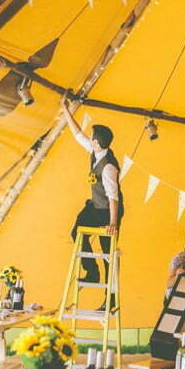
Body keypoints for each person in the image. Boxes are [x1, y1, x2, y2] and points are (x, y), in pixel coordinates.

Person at [61, 99, 124, 310]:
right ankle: (92, 271)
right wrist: (66, 110)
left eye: (92, 137)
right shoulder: (97, 152)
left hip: (108, 212)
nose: (90, 139)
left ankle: (110, 300)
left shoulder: (108, 167)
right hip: (95, 207)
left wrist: (113, 223)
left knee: (109, 255)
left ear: (97, 142)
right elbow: (78, 135)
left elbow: (113, 197)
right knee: (76, 231)